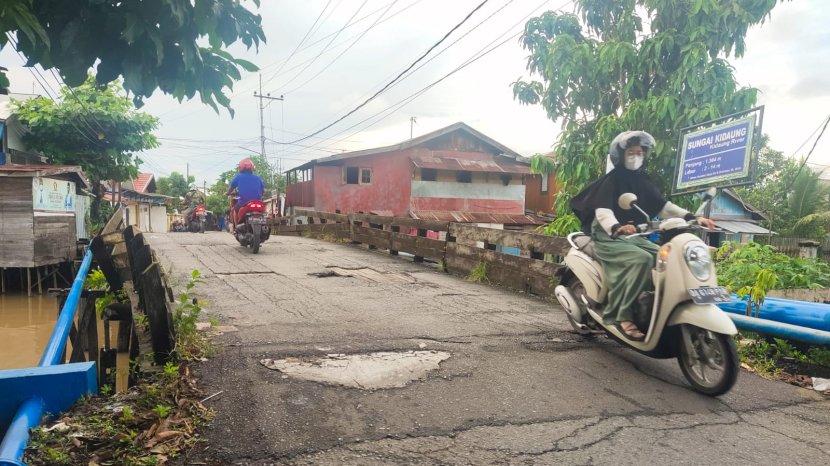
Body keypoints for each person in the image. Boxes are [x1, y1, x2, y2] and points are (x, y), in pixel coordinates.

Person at [570, 131, 716, 340]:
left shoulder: (642, 180)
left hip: (632, 233)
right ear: (620, 155)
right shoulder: (611, 181)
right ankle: (622, 316)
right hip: (607, 234)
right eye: (631, 152)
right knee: (641, 260)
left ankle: (648, 307)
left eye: (640, 152)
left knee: (663, 256)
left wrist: (693, 217)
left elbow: (664, 206)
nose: (636, 156)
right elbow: (603, 211)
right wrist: (616, 227)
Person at [226, 158, 265, 226]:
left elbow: (230, 189)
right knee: (263, 213)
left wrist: (228, 193)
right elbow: (263, 191)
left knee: (234, 210)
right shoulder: (258, 178)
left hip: (244, 202)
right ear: (252, 168)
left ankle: (237, 227)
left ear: (241, 167)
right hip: (257, 202)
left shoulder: (238, 177)